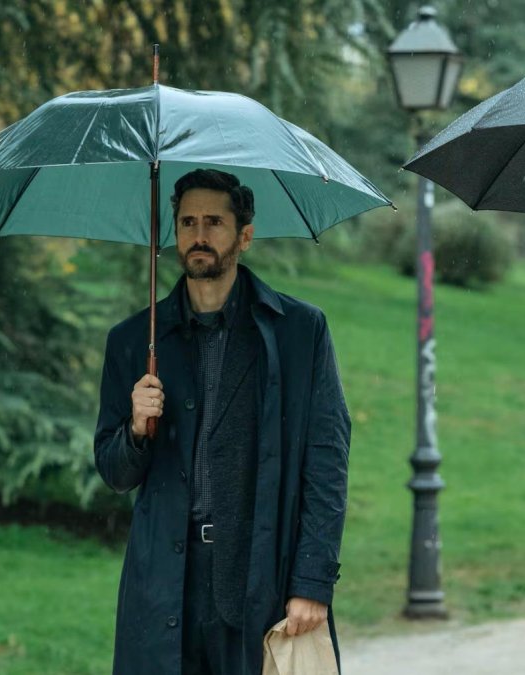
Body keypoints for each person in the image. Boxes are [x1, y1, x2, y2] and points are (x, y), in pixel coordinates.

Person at [94, 168, 351, 675]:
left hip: (259, 575)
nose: (199, 235)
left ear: (245, 236)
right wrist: (136, 430)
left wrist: (312, 582)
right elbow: (114, 472)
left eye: (214, 222)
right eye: (187, 222)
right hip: (165, 584)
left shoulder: (300, 332)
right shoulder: (134, 340)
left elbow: (326, 463)